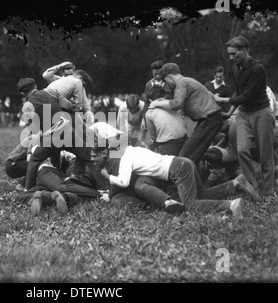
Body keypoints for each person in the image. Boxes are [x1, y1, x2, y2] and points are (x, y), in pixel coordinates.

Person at [99, 144, 256, 217]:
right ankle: (235, 184)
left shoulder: (125, 158)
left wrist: (108, 176)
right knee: (202, 195)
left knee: (191, 205)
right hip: (183, 161)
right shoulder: (134, 149)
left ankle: (230, 205)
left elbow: (124, 182)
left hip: (178, 169)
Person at [214, 36, 275, 200]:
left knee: (265, 154)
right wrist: (229, 112)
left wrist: (222, 100)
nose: (231, 58)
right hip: (243, 113)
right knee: (241, 150)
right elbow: (238, 93)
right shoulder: (235, 69)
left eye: (234, 54)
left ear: (245, 50)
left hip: (261, 112)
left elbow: (247, 96)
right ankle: (252, 186)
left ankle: (267, 191)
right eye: (229, 54)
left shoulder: (258, 68)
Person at [17, 78, 99, 191]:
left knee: (34, 160)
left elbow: (34, 130)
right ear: (35, 86)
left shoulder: (27, 106)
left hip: (51, 137)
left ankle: (29, 190)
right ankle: (103, 188)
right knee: (88, 159)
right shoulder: (51, 92)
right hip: (68, 130)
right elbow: (68, 106)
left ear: (22, 93)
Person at [149, 62, 223, 165]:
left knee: (185, 155)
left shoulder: (182, 83)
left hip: (209, 120)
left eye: (166, 81)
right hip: (209, 120)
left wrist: (157, 103)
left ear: (169, 76)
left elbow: (176, 104)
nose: (168, 84)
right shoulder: (189, 80)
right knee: (194, 153)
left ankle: (214, 158)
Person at [145, 85, 188, 156]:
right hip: (185, 140)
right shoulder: (173, 105)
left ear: (150, 100)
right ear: (164, 96)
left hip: (168, 145)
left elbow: (153, 136)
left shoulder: (149, 113)